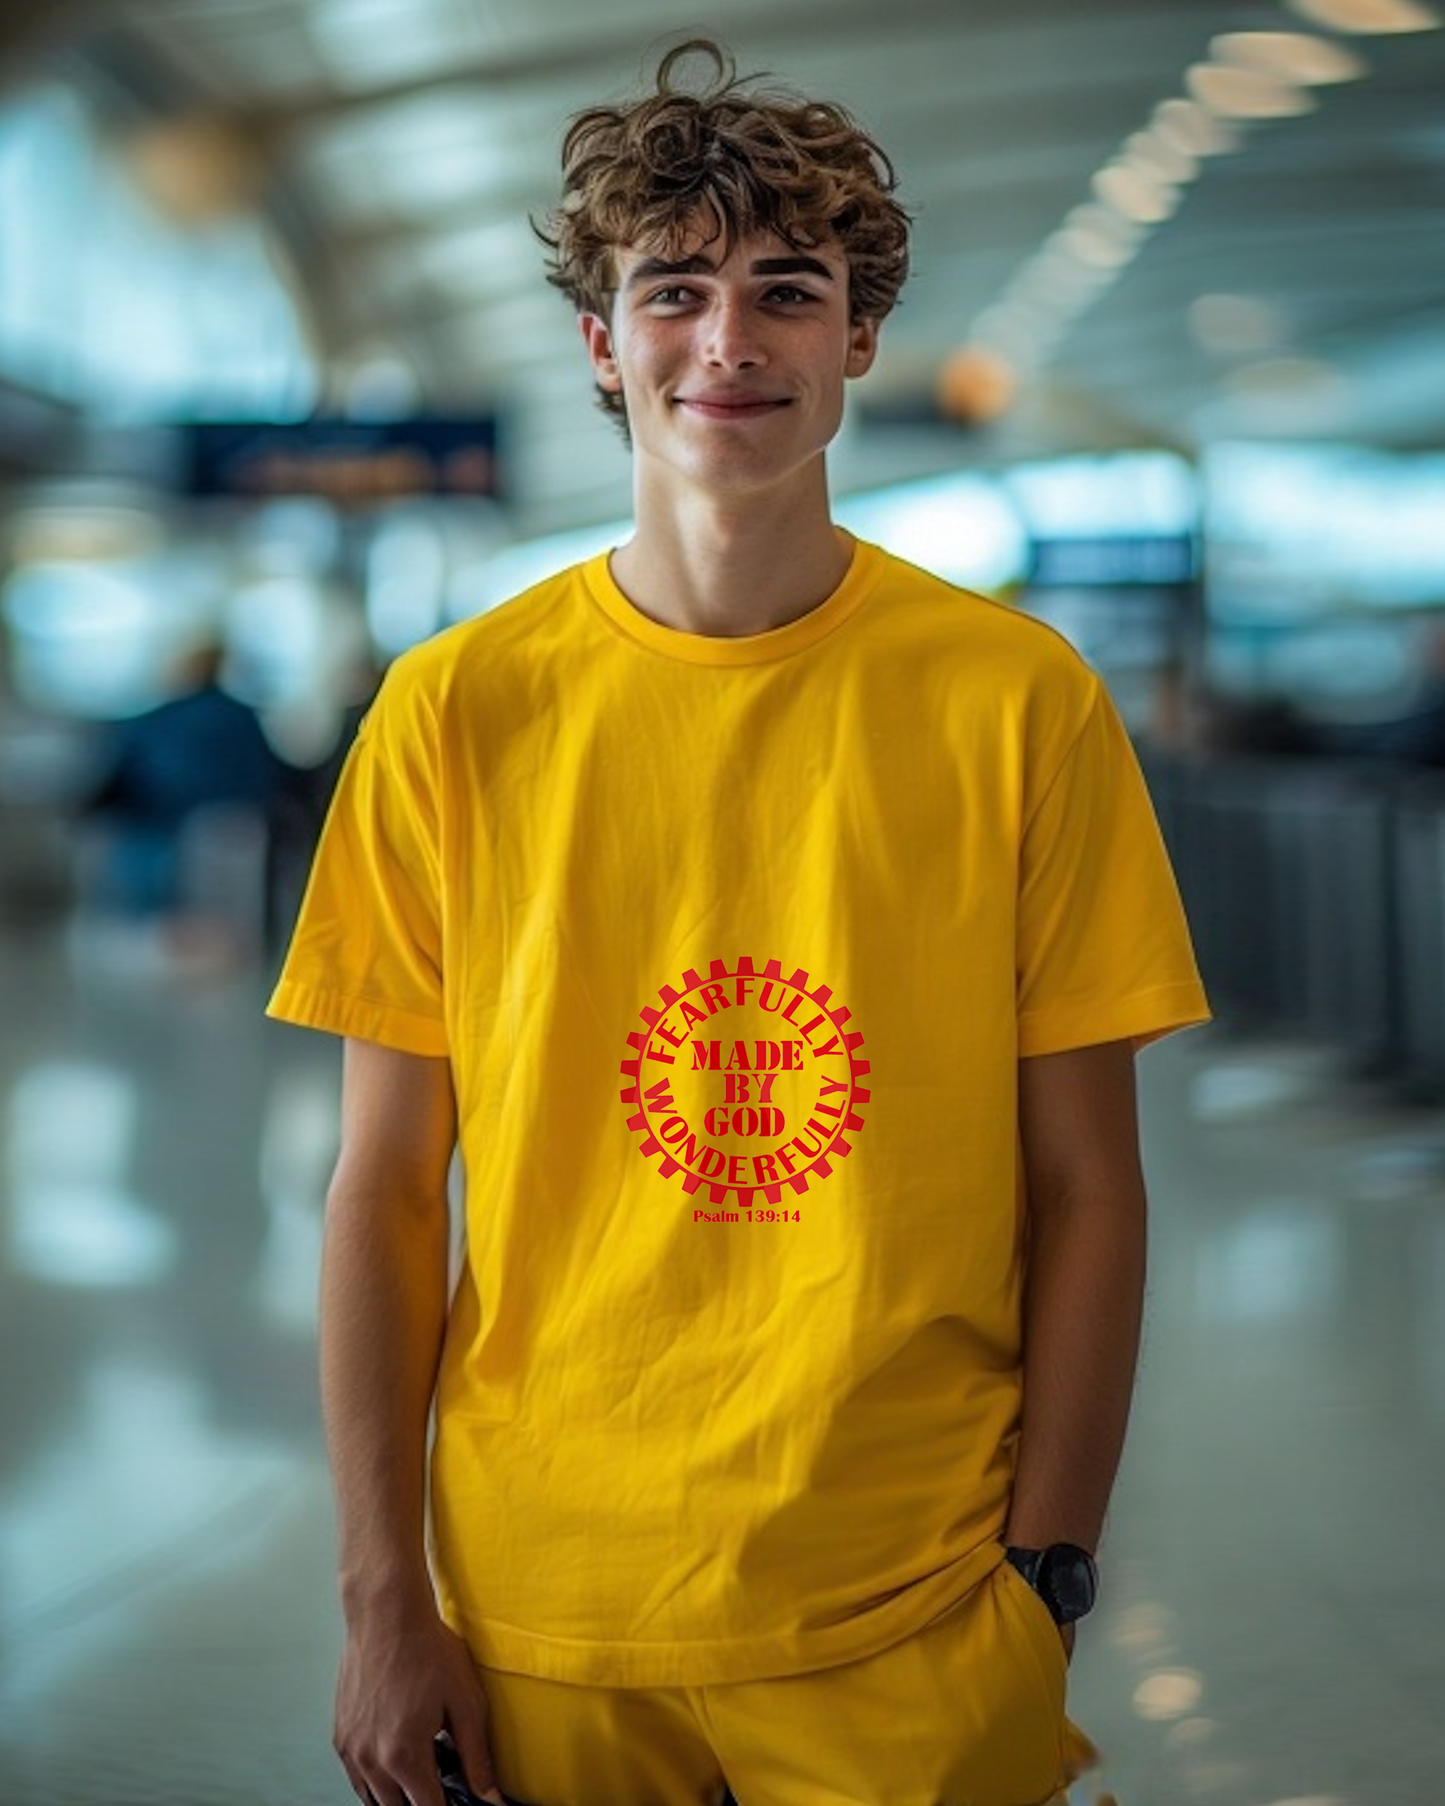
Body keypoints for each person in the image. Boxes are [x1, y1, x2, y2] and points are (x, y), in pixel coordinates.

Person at [268, 39, 1209, 1806]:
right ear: (600, 343)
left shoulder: (1017, 700)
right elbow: (384, 1189)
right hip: (550, 1604)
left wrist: (1049, 1577)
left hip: (913, 1601)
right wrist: (386, 1598)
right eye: (674, 291)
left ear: (858, 339)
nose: (731, 341)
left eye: (790, 290)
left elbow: (1089, 1180)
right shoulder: (454, 711)